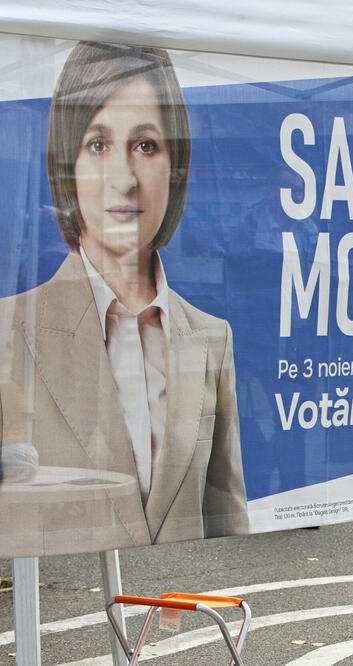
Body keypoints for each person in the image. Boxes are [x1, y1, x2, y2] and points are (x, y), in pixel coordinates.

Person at [0, 41, 249, 557]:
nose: (124, 178)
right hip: (61, 625)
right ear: (67, 166)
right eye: (97, 144)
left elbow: (225, 510)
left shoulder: (210, 338)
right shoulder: (10, 327)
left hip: (177, 618)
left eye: (146, 145)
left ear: (174, 167)